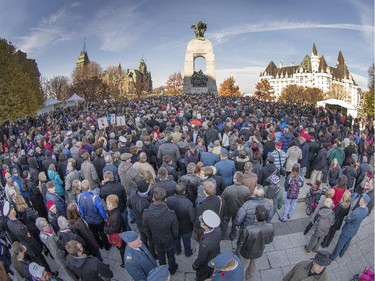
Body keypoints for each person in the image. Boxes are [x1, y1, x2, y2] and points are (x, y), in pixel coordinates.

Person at [142, 187, 179, 275]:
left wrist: (151, 238)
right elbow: (175, 231)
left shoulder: (146, 214)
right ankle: (172, 269)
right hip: (169, 240)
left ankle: (163, 271)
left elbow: (146, 230)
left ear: (153, 199)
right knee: (171, 256)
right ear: (165, 199)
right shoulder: (171, 214)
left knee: (160, 257)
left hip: (156, 241)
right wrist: (174, 238)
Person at [236, 205, 274, 280]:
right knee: (254, 265)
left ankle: (241, 278)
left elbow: (240, 242)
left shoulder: (248, 229)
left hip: (246, 252)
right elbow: (269, 240)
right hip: (259, 251)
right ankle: (249, 278)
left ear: (255, 216)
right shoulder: (270, 227)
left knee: (243, 265)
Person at [330, 194, 370, 260]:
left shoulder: (356, 212)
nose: (360, 200)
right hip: (354, 230)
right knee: (348, 242)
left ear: (363, 201)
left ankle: (333, 256)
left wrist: (346, 218)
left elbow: (348, 220)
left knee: (340, 243)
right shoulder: (366, 209)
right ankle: (342, 253)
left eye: (361, 199)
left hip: (348, 230)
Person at [76, 180, 110, 250]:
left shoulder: (79, 197)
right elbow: (101, 210)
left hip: (89, 220)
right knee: (102, 233)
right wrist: (105, 218)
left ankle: (100, 245)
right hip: (98, 220)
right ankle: (107, 246)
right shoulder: (94, 198)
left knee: (94, 234)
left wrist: (84, 218)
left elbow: (80, 210)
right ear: (89, 188)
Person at [166, 182, 196, 257]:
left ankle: (177, 251)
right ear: (184, 192)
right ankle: (188, 253)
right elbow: (192, 218)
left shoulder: (169, 199)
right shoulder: (188, 203)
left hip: (174, 226)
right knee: (186, 241)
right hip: (186, 227)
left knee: (176, 240)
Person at [192, 210, 222, 281]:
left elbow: (201, 258)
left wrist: (195, 265)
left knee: (201, 276)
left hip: (205, 263)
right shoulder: (218, 229)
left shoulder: (205, 243)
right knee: (210, 272)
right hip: (214, 257)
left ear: (203, 225)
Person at [221, 171, 250, 241]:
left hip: (228, 209)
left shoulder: (228, 189)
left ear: (235, 179)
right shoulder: (246, 190)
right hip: (239, 210)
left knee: (225, 222)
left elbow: (222, 199)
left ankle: (222, 235)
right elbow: (247, 201)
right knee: (235, 223)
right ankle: (233, 236)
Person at [104, 195, 126, 267]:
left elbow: (114, 229)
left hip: (119, 235)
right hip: (120, 233)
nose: (107, 205)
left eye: (109, 204)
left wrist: (106, 229)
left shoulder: (115, 216)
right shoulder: (113, 211)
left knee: (122, 249)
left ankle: (124, 262)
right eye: (107, 203)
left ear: (114, 205)